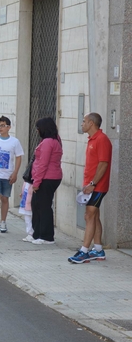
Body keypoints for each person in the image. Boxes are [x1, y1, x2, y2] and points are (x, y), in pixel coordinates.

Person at [69, 113, 112, 264]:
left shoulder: (102, 140)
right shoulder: (92, 139)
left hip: (98, 186)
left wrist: (93, 184)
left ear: (91, 123)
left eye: (84, 121)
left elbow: (103, 163)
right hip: (91, 185)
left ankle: (84, 251)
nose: (82, 124)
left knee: (89, 216)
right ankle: (98, 250)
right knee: (94, 216)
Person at [0, 116, 24, 234]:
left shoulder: (15, 142)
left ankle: (3, 221)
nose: (0, 128)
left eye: (3, 125)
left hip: (7, 175)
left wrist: (15, 173)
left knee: (5, 198)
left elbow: (18, 157)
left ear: (9, 127)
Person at [29, 117, 62, 245]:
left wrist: (36, 183)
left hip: (47, 178)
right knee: (37, 205)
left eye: (38, 129)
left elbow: (43, 164)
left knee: (43, 207)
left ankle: (46, 236)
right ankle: (37, 234)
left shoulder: (48, 142)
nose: (37, 131)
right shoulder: (55, 140)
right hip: (50, 177)